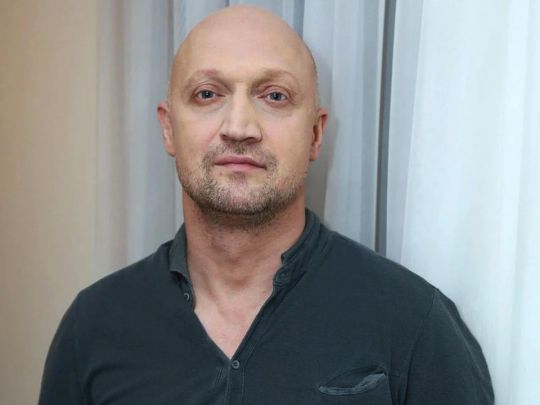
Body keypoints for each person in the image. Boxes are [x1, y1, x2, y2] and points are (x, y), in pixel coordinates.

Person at [39, 5, 494, 404]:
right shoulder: (94, 326)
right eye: (208, 94)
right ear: (168, 128)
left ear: (315, 133)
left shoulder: (414, 324)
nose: (239, 127)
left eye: (274, 96)